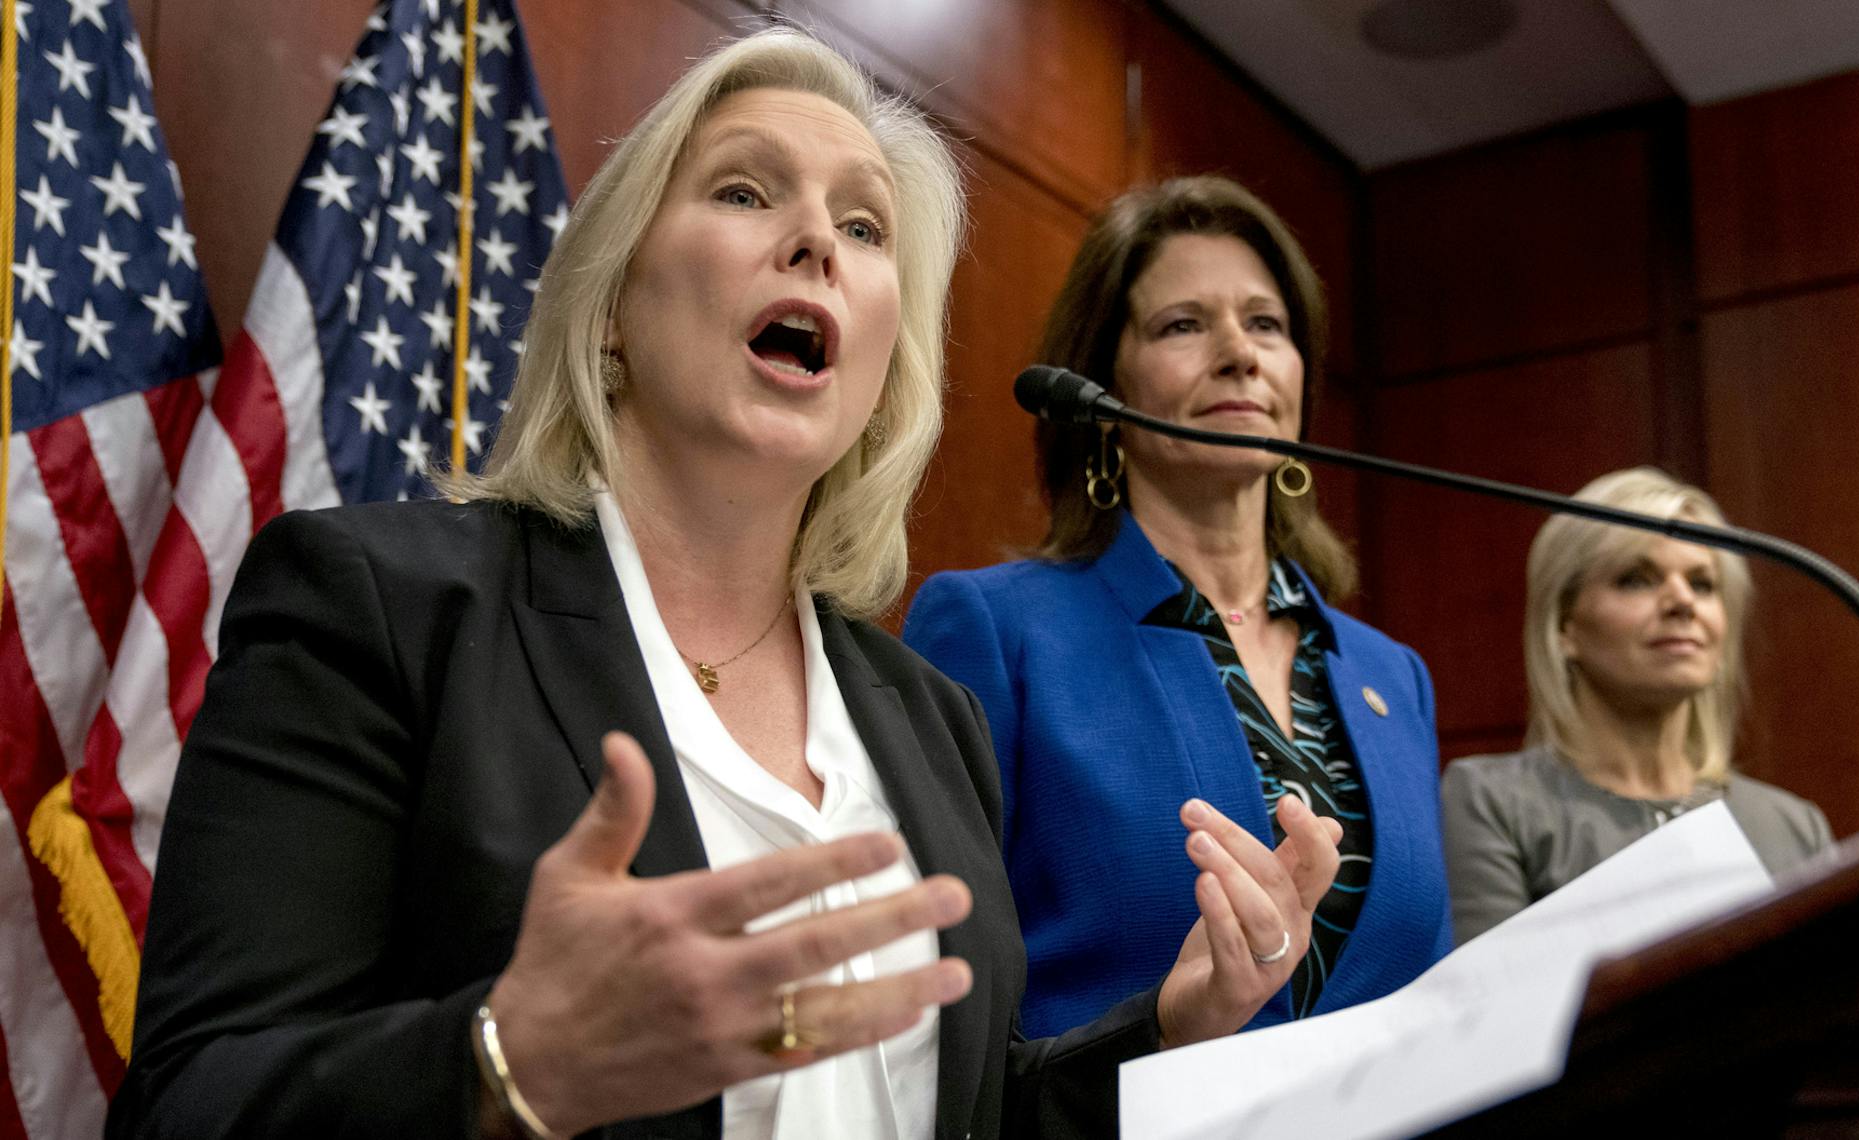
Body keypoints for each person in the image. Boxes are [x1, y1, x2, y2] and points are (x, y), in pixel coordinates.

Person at [108, 31, 1342, 1140]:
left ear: (878, 368)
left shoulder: (928, 718)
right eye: (746, 191)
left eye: (864, 230)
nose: (817, 238)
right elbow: (190, 1098)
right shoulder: (378, 607)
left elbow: (943, 1103)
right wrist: (508, 1064)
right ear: (610, 310)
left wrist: (1170, 1030)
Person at [903, 176, 1450, 1039]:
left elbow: (1435, 990)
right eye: (1183, 325)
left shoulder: (1396, 676)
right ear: (1100, 396)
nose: (1240, 354)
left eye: (1266, 325)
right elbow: (940, 1002)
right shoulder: (994, 632)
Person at [1441, 467, 1834, 945]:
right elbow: (1493, 1005)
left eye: (1703, 584)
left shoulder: (1794, 827)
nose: (1682, 601)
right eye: (1636, 580)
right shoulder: (1491, 801)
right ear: (1564, 627)